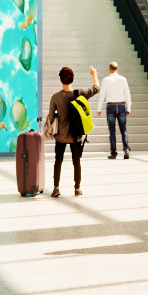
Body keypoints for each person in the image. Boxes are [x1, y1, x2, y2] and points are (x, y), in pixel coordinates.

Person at [45, 66, 99, 198]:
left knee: (58, 161)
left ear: (60, 80)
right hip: (76, 136)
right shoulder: (80, 93)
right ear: (72, 79)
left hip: (61, 137)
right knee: (76, 162)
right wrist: (94, 74)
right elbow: (97, 88)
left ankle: (56, 188)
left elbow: (51, 118)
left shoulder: (55, 97)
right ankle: (77, 189)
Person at [100, 61, 132, 159]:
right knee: (123, 129)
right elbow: (127, 94)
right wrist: (128, 107)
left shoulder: (106, 80)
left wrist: (99, 108)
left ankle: (113, 153)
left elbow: (102, 94)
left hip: (110, 106)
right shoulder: (123, 79)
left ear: (109, 69)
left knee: (112, 131)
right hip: (121, 105)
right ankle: (126, 149)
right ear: (117, 69)